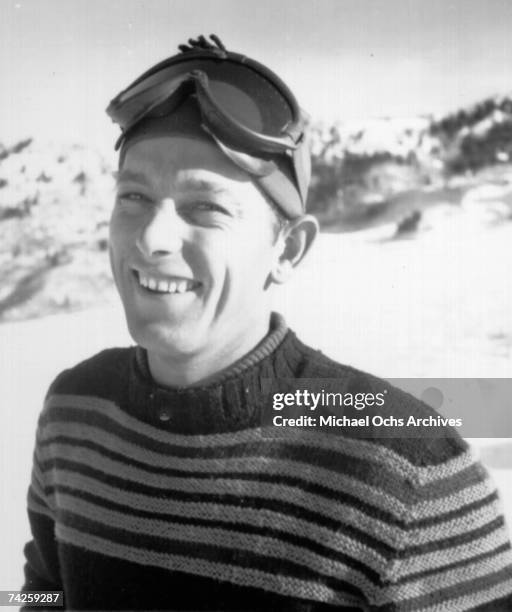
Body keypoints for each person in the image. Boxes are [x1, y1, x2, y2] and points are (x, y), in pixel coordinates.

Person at [22, 35, 512, 611]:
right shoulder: (75, 410)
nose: (151, 237)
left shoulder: (409, 471)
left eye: (205, 207)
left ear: (288, 250)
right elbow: (45, 594)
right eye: (133, 195)